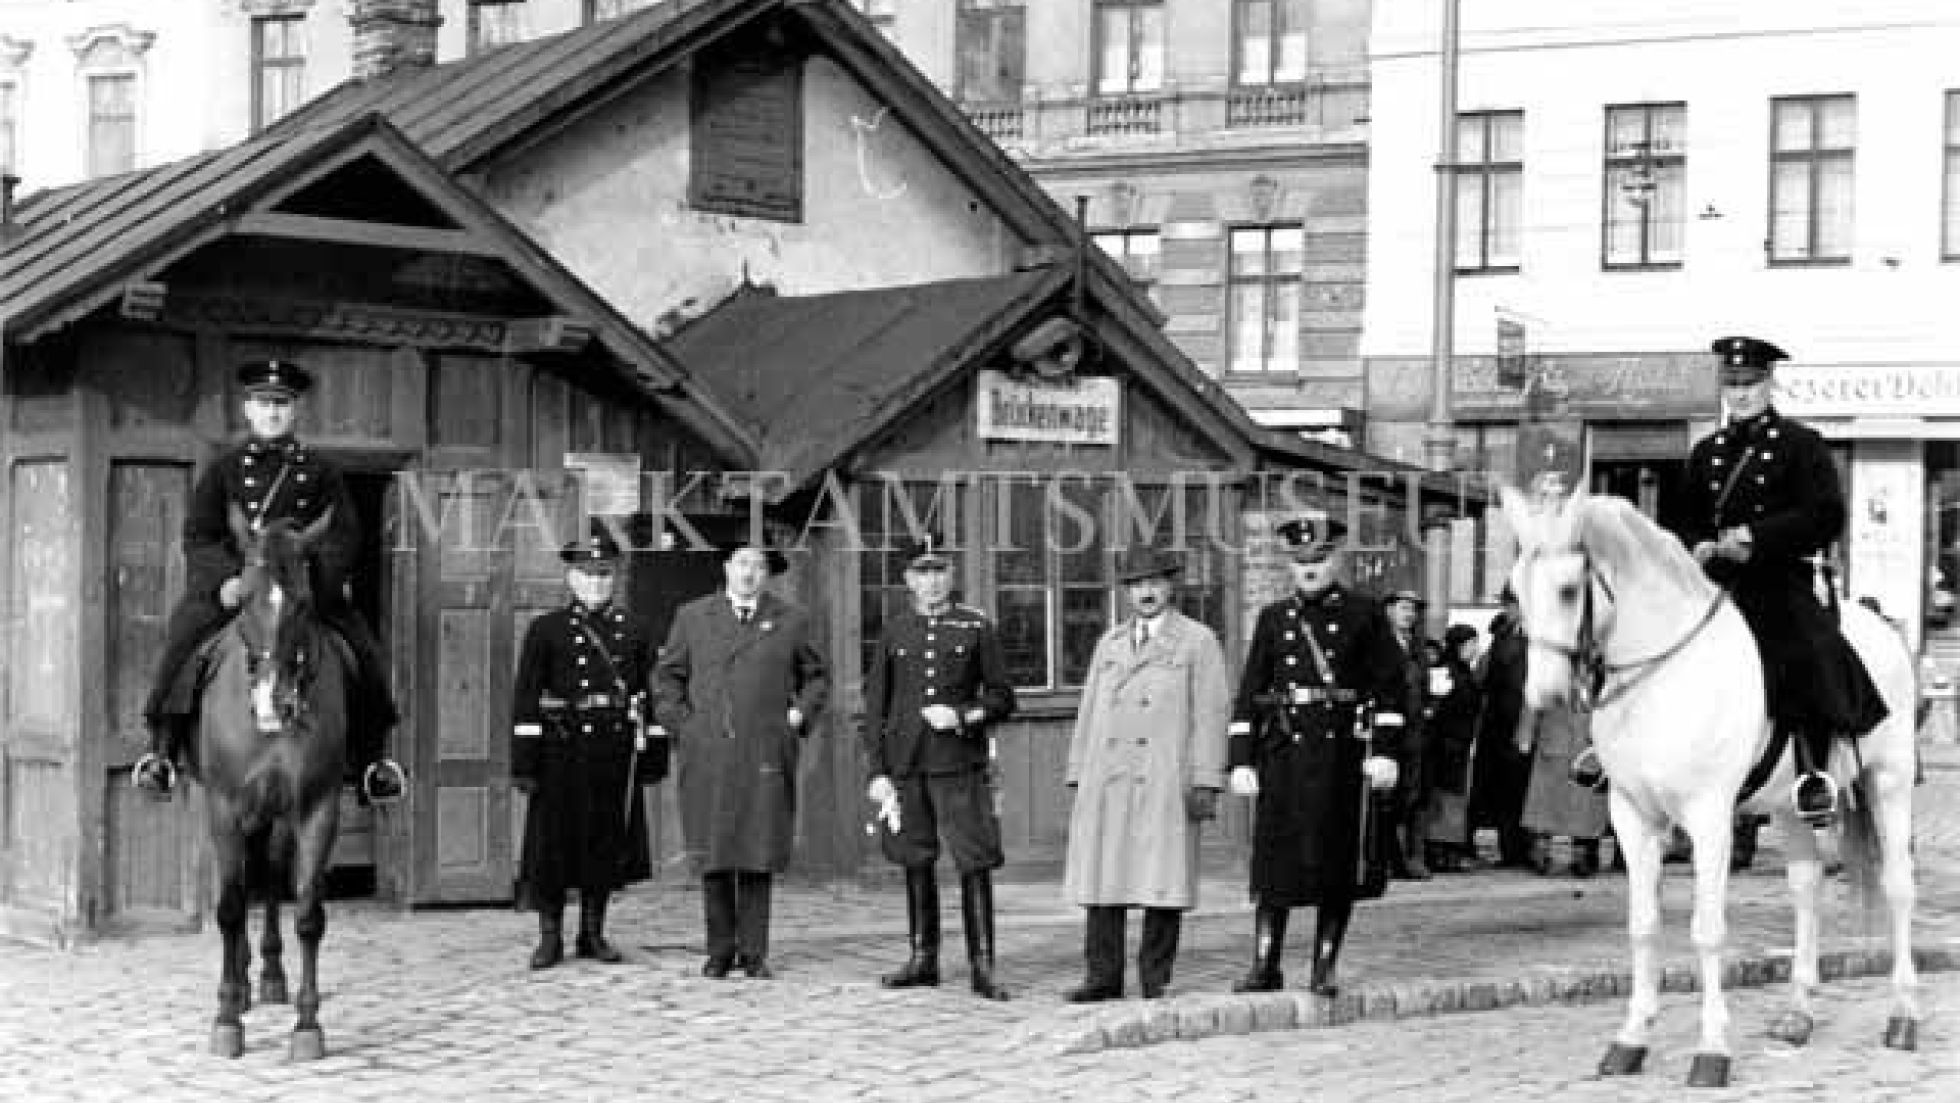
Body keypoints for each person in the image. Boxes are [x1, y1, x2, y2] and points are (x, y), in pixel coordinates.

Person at [133, 358, 405, 804]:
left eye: (282, 404)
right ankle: (161, 752)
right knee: (181, 640)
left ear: (295, 410)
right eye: (264, 403)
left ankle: (374, 762)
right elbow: (199, 535)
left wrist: (315, 586)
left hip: (305, 589)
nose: (273, 412)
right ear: (248, 409)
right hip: (239, 588)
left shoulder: (322, 472)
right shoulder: (224, 471)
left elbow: (343, 535)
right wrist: (225, 581)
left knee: (364, 652)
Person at [1680, 335, 1889, 827]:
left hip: (1775, 577)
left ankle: (1814, 772)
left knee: (1804, 649)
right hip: (1712, 581)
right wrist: (1696, 544)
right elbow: (1682, 516)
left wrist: (1756, 537)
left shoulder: (1801, 444)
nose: (1741, 393)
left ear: (1769, 383)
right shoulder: (1706, 451)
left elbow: (1825, 515)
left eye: (1750, 383)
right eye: (1732, 384)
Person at [1227, 515, 1406, 997]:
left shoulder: (1364, 615)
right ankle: (1264, 965)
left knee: (1335, 862)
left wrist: (1385, 752)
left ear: (1337, 560)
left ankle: (1323, 967)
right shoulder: (1273, 617)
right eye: (1300, 560)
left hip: (1340, 755)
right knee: (1273, 864)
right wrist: (1241, 758)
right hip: (1283, 753)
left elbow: (1392, 688)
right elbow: (1250, 692)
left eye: (1319, 559)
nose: (1309, 568)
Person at [1060, 546, 1232, 1003]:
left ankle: (1156, 977)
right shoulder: (1110, 643)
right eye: (1137, 585)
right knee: (1103, 876)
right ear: (1127, 592)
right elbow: (1088, 710)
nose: (1147, 592)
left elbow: (1211, 715)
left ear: (1171, 587)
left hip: (1163, 775)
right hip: (1109, 774)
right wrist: (1079, 770)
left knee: (1163, 877)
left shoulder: (1197, 642)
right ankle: (1102, 976)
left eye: (1155, 583)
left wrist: (1206, 779)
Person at [652, 537, 828, 980]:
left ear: (768, 575)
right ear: (726, 568)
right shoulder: (692, 617)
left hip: (764, 748)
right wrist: (683, 726)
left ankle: (754, 951)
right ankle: (719, 949)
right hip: (709, 751)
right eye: (742, 563)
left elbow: (815, 677)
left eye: (759, 567)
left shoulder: (790, 620)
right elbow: (667, 677)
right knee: (715, 850)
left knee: (757, 846)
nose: (749, 574)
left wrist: (798, 715)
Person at [862, 538, 1017, 1000]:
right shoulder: (895, 631)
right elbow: (876, 707)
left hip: (958, 764)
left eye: (939, 571)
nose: (931, 581)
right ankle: (922, 958)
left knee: (974, 860)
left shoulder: (975, 628)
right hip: (907, 765)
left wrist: (964, 715)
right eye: (921, 572)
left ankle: (983, 967)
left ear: (952, 577)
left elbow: (1003, 697)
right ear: (908, 580)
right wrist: (877, 770)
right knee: (915, 858)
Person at [510, 532, 662, 968]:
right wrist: (525, 762)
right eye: (587, 575)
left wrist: (651, 755)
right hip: (561, 749)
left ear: (613, 580)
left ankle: (593, 933)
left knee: (604, 842)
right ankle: (550, 936)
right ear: (571, 579)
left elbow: (650, 695)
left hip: (612, 750)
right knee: (551, 845)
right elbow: (526, 698)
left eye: (604, 575)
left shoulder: (635, 630)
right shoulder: (546, 630)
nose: (596, 584)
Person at [1470, 587, 1533, 867]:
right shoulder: (1503, 634)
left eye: (1512, 604)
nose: (1508, 609)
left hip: (1519, 718)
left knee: (1517, 787)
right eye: (1507, 604)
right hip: (1497, 720)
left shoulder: (1531, 636)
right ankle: (1510, 846)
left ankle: (1518, 847)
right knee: (1500, 786)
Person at [1518, 704, 1608, 878]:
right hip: (1554, 740)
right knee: (1545, 803)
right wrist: (1525, 733)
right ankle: (1541, 852)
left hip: (1591, 740)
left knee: (1587, 804)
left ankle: (1584, 855)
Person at [1382, 590, 1434, 880]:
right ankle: (1388, 858)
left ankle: (1411, 858)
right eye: (1404, 608)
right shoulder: (1380, 645)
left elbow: (1423, 686)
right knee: (1388, 793)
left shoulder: (1417, 647)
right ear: (1389, 610)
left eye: (1413, 610)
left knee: (1413, 792)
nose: (1409, 614)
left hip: (1416, 730)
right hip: (1390, 729)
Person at [1423, 624, 1483, 872]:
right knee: (1444, 798)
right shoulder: (1444, 673)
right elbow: (1436, 709)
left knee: (1455, 798)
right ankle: (1440, 851)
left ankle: (1449, 850)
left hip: (1460, 744)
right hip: (1444, 745)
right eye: (1471, 644)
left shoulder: (1465, 672)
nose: (1475, 649)